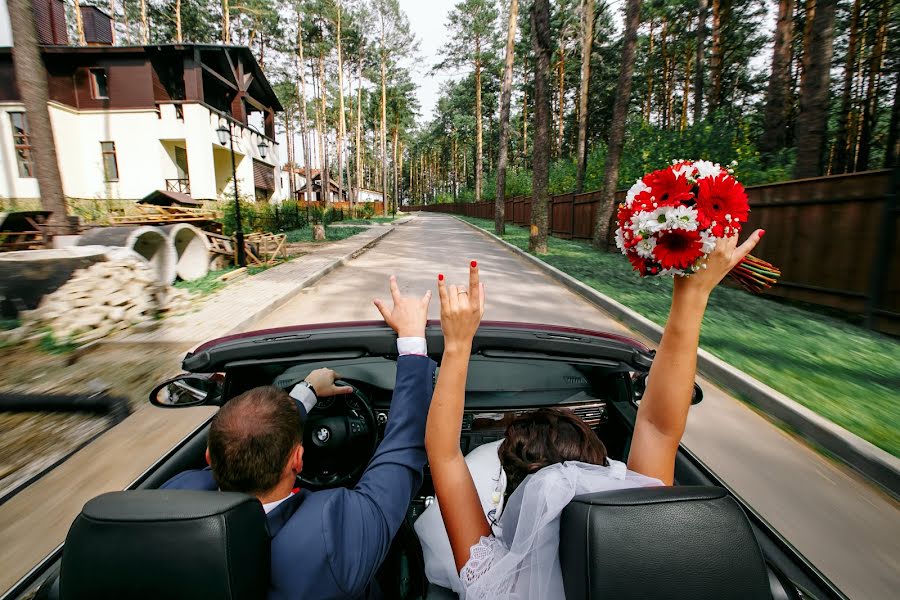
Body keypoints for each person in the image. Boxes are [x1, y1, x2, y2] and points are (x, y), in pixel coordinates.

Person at [426, 231, 764, 599]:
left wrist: (458, 343)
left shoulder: (495, 582)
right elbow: (657, 426)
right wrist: (694, 292)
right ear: (602, 469)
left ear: (513, 489)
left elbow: (444, 453)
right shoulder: (655, 544)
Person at [162, 275, 436, 600]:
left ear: (209, 457)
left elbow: (256, 430)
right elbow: (403, 449)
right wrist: (413, 340)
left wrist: (305, 393)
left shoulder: (173, 499)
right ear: (298, 458)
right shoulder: (333, 537)